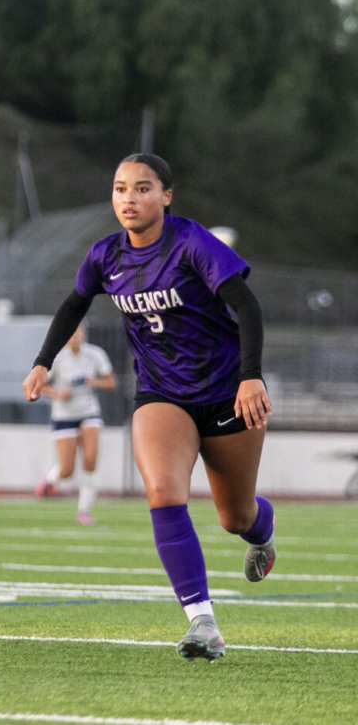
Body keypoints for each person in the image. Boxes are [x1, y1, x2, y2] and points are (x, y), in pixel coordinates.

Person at [22, 154, 275, 663]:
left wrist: (250, 376)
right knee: (162, 492)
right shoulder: (104, 255)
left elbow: (246, 305)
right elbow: (74, 304)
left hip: (226, 391)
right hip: (163, 394)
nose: (129, 199)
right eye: (119, 189)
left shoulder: (190, 242)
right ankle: (201, 621)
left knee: (236, 516)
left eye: (142, 188)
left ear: (166, 196)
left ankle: (262, 536)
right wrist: (42, 362)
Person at [35, 323, 117, 525]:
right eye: (71, 332)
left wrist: (95, 382)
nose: (75, 336)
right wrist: (58, 394)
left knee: (90, 461)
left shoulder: (95, 354)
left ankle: (84, 511)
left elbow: (111, 382)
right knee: (67, 470)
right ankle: (50, 479)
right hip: (64, 415)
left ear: (84, 334)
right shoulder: (56, 358)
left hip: (89, 412)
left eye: (79, 331)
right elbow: (42, 384)